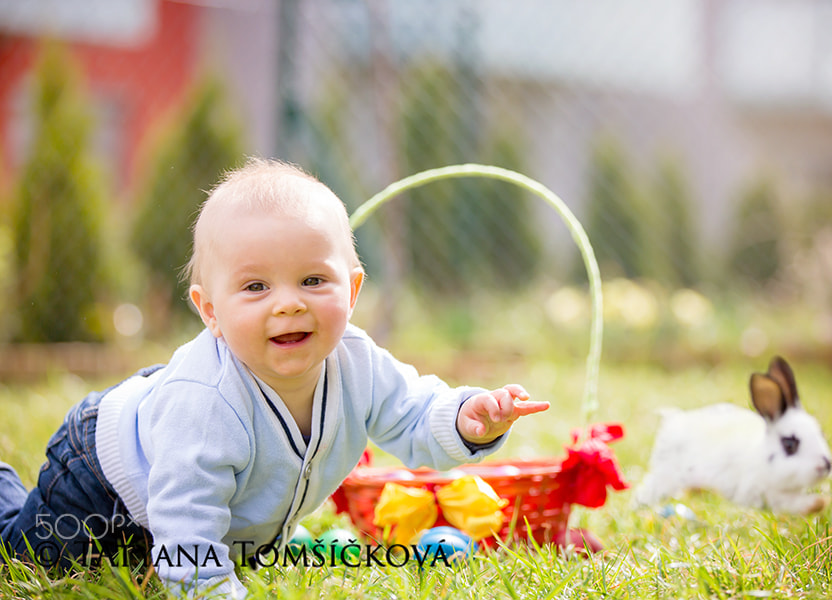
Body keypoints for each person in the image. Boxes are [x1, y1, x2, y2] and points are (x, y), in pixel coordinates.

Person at [0, 158, 549, 598]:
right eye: (256, 287)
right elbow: (187, 518)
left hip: (165, 490)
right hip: (99, 479)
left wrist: (467, 418)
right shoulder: (208, 401)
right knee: (28, 556)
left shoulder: (357, 363)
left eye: (313, 280)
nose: (288, 305)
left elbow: (411, 413)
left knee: (144, 564)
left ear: (352, 292)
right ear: (209, 310)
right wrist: (209, 588)